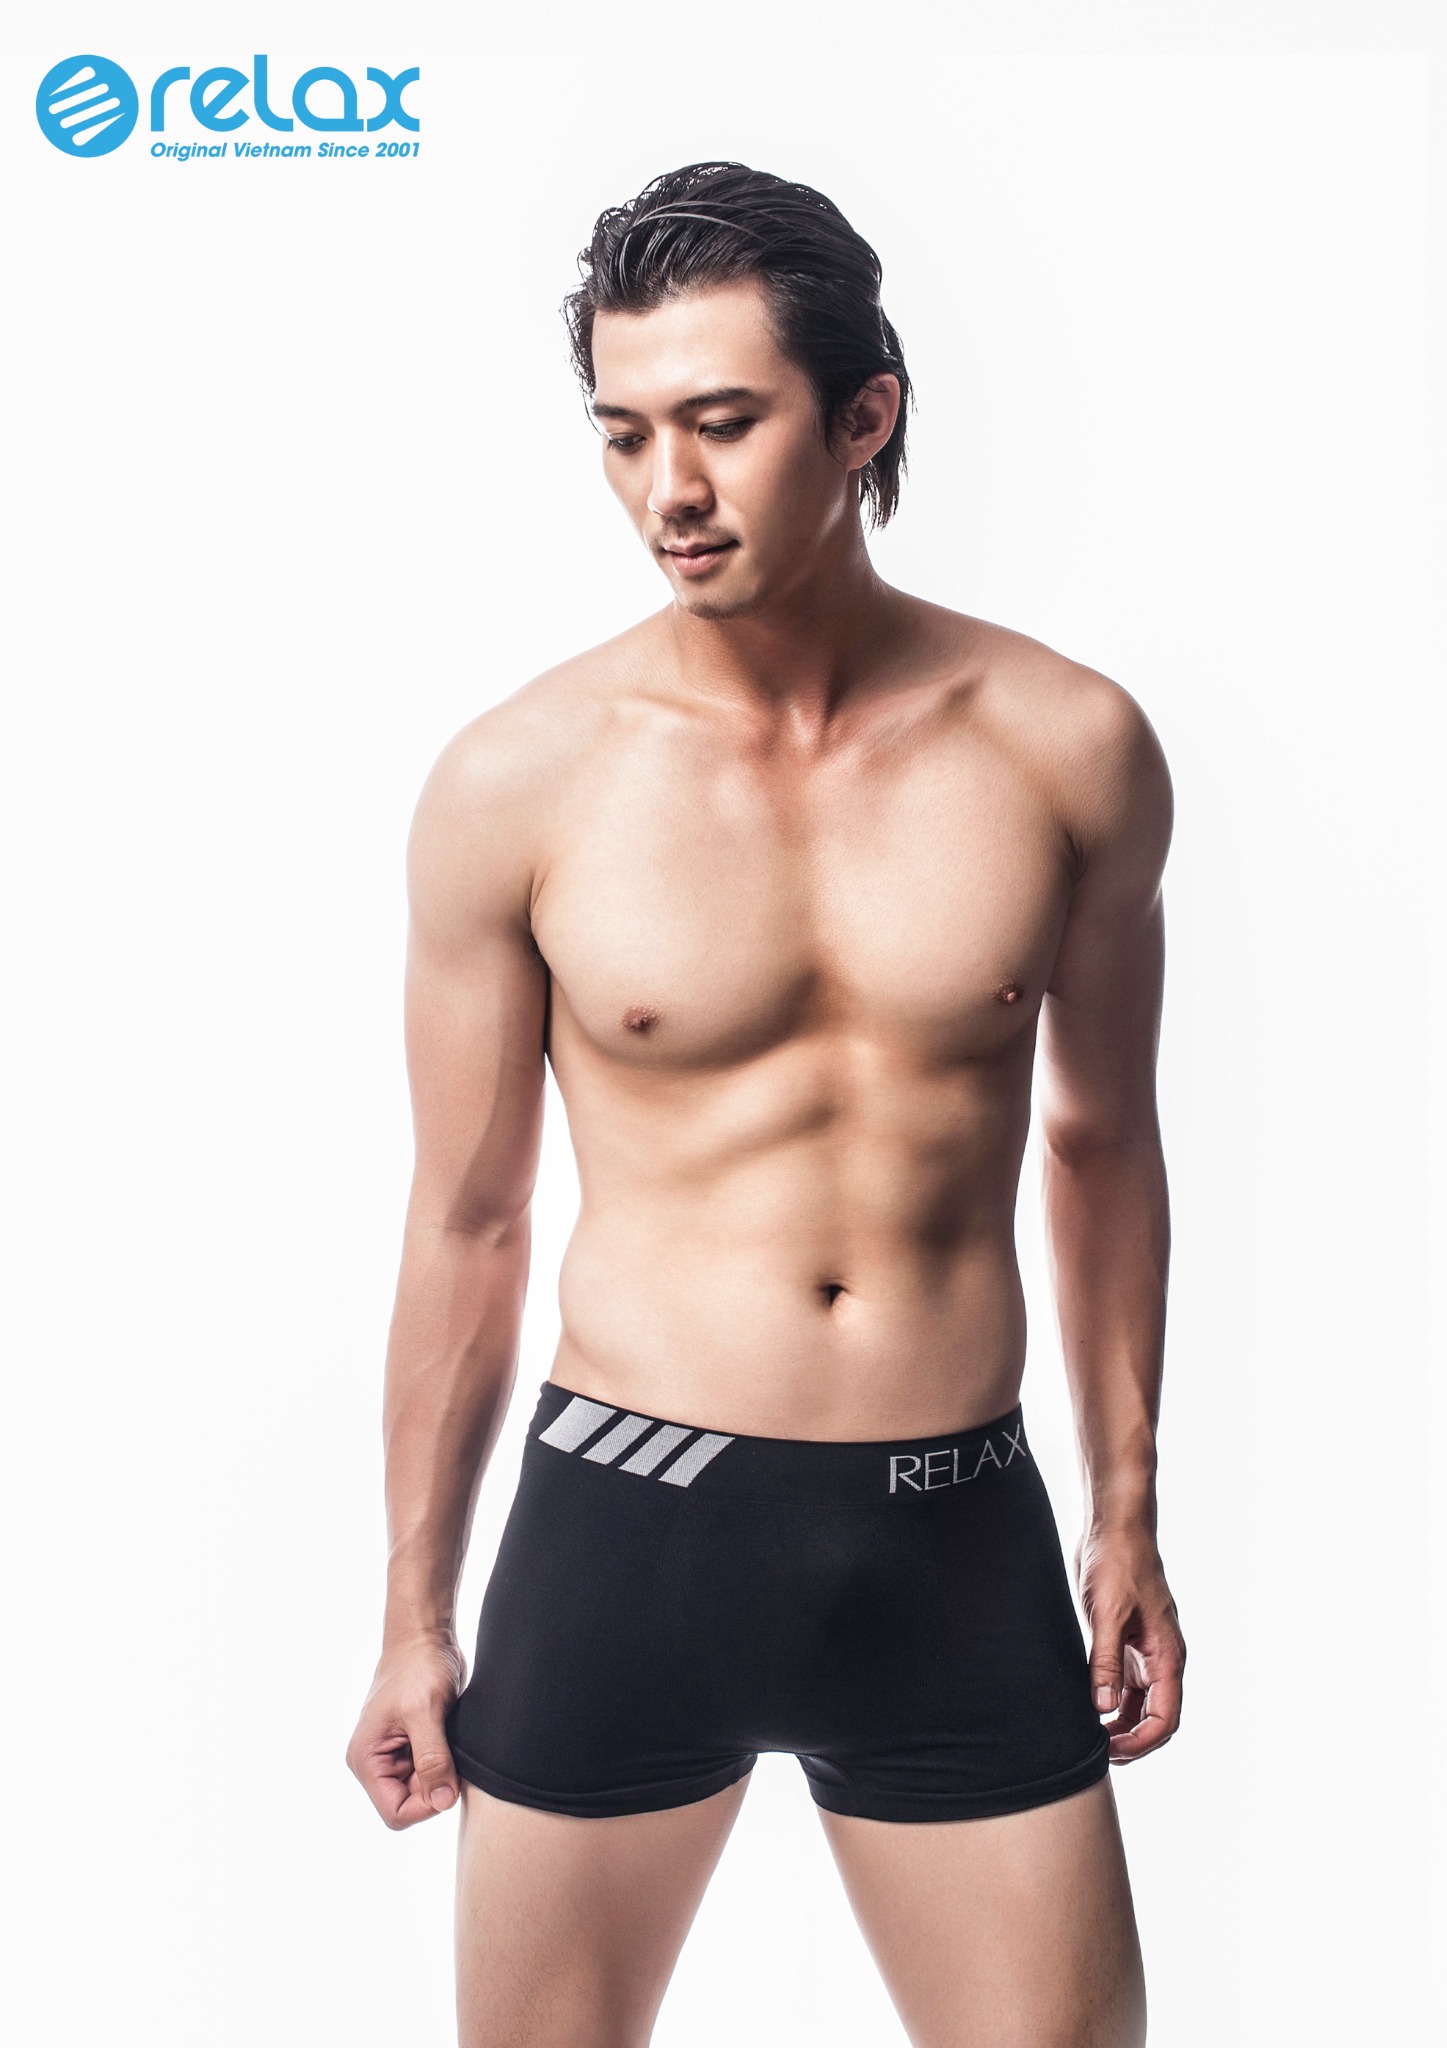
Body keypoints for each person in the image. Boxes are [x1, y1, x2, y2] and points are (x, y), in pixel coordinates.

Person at [346, 160, 1185, 2048]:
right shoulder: (518, 781)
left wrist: (1127, 1509)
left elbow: (1103, 1140)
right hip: (629, 1526)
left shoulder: (1067, 745)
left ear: (864, 415)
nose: (671, 488)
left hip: (954, 1531)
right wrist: (412, 1608)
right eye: (625, 433)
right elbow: (469, 1216)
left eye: (724, 422)